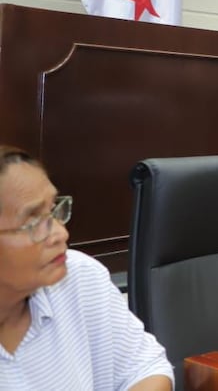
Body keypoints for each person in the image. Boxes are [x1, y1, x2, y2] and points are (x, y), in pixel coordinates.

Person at [0, 147, 173, 390]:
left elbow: (145, 367)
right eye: (33, 221)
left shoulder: (78, 274)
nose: (61, 233)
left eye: (53, 210)